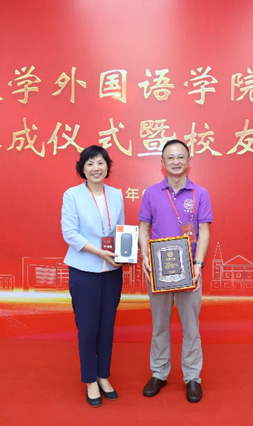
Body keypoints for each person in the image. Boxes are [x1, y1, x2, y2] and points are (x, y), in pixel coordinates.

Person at [138, 139, 212, 403]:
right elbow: (143, 229)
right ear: (162, 163)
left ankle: (192, 377)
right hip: (159, 272)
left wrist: (198, 264)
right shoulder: (151, 193)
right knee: (159, 325)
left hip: (190, 272)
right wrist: (145, 258)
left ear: (189, 161)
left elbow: (204, 231)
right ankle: (159, 373)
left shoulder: (200, 194)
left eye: (181, 156)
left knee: (191, 327)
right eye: (170, 157)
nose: (176, 161)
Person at [61, 145, 125, 408]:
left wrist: (124, 253)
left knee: (107, 326)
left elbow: (121, 229)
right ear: (83, 169)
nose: (96, 168)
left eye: (100, 163)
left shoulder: (116, 194)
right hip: (84, 270)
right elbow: (70, 234)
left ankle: (103, 376)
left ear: (107, 167)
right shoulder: (72, 195)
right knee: (88, 328)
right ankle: (90, 380)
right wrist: (100, 252)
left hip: (112, 272)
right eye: (90, 163)